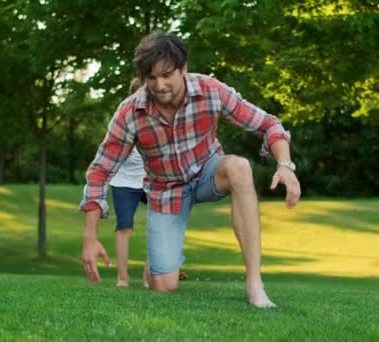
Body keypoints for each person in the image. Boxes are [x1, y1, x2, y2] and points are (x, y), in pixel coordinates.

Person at [80, 31, 300, 309]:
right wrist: (90, 238)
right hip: (165, 191)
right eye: (151, 78)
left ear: (183, 68)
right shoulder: (130, 113)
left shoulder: (210, 91)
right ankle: (159, 267)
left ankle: (255, 284)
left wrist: (285, 166)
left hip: (208, 172)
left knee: (240, 167)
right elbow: (100, 171)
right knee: (164, 286)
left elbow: (267, 124)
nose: (159, 85)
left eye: (167, 74)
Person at [110, 77, 188, 288]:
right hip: (124, 183)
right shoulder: (124, 119)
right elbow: (109, 155)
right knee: (124, 226)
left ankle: (149, 276)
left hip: (149, 182)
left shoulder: (160, 119)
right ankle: (122, 278)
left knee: (161, 223)